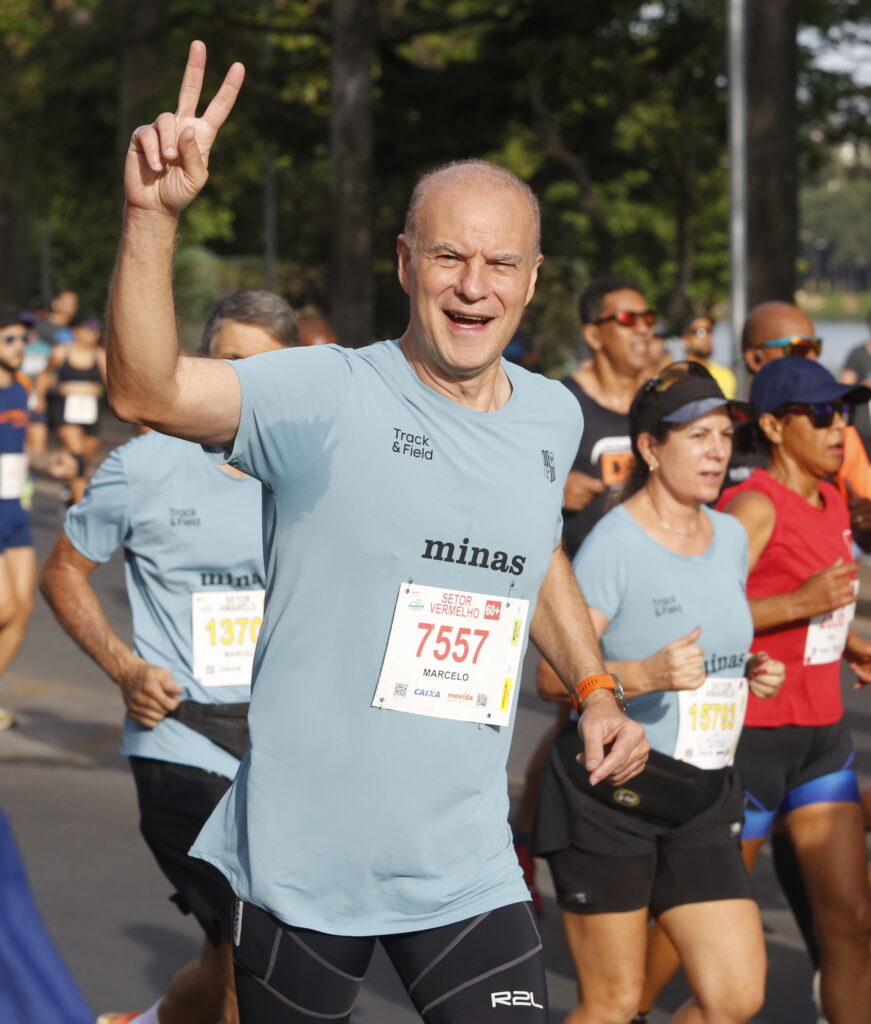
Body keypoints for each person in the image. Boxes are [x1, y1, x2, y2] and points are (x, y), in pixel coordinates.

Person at [104, 41, 648, 1024]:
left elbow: (535, 552)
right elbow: (146, 386)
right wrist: (152, 218)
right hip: (306, 864)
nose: (472, 285)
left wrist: (599, 687)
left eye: (499, 263)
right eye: (448, 255)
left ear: (530, 282)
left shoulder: (550, 414)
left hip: (465, 866)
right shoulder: (325, 392)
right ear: (405, 263)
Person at [40, 290, 300, 1024]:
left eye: (267, 375)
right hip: (182, 736)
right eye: (232, 366)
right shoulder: (146, 465)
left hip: (283, 742)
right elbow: (63, 571)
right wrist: (126, 669)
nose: (246, 388)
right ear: (202, 365)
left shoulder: (311, 472)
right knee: (258, 954)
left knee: (225, 950)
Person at [532, 362, 783, 1024]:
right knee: (613, 1004)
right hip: (612, 794)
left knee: (734, 996)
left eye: (723, 435)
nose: (716, 452)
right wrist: (644, 675)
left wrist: (744, 666)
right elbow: (551, 678)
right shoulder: (614, 543)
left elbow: (706, 641)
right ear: (649, 447)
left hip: (702, 792)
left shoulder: (729, 536)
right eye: (695, 435)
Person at [715, 357, 871, 1024]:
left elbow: (815, 613)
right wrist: (796, 602)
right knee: (696, 937)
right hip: (750, 745)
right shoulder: (749, 505)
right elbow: (697, 613)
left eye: (843, 412)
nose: (839, 427)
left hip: (821, 742)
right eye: (821, 414)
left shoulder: (832, 497)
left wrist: (848, 640)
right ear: (775, 427)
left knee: (851, 926)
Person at [514, 274, 653, 912]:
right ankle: (529, 836)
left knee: (597, 717)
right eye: (626, 319)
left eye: (647, 317)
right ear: (594, 333)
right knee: (572, 709)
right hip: (575, 590)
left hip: (645, 585)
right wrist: (554, 487)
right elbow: (510, 485)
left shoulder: (655, 403)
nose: (643, 327)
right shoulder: (559, 403)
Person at [0, 311, 37, 733]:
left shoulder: (23, 389)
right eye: (10, 339)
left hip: (15, 511)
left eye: (23, 339)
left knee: (21, 609)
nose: (20, 346)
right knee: (5, 605)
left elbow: (30, 450)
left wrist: (54, 461)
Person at [39, 315, 106, 503]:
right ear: (75, 331)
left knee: (85, 460)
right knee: (76, 456)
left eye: (96, 330)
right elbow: (44, 375)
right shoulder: (62, 351)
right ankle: (81, 504)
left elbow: (113, 384)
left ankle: (71, 493)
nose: (93, 334)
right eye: (88, 329)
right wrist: (40, 398)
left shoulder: (99, 354)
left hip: (90, 412)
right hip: (65, 411)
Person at [679, 312, 736, 399]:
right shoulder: (675, 376)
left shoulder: (725, 375)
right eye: (700, 332)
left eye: (709, 331)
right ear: (683, 340)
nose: (707, 337)